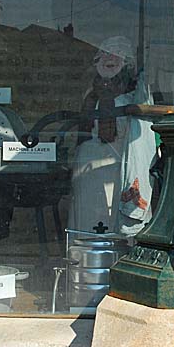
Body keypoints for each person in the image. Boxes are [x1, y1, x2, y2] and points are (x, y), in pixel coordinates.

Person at [69, 36, 156, 238]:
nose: (110, 58)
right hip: (88, 168)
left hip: (118, 166)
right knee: (86, 221)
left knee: (115, 221)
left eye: (117, 53)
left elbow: (141, 134)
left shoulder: (135, 95)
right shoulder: (91, 94)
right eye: (105, 52)